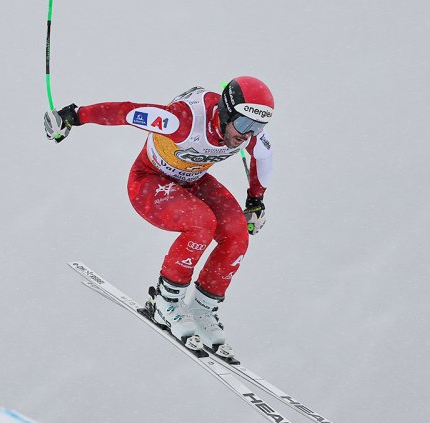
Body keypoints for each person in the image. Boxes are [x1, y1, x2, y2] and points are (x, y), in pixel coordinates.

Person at [44, 76, 274, 361]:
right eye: (242, 125)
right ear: (226, 112)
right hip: (149, 182)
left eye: (257, 128)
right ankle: (166, 301)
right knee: (201, 222)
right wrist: (72, 116)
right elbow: (127, 112)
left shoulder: (248, 133)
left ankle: (202, 308)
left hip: (192, 180)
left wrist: (255, 200)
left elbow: (263, 156)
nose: (247, 135)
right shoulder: (183, 121)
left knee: (237, 233)